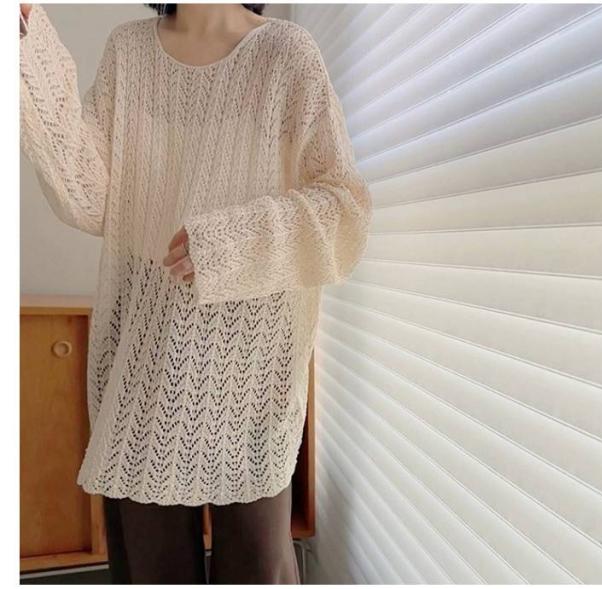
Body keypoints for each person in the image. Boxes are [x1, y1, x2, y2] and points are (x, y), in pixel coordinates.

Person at [19, 1, 372, 584]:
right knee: (151, 566)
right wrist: (26, 41)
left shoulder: (285, 53)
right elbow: (91, 196)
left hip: (252, 372)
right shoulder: (129, 50)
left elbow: (343, 211)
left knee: (256, 565)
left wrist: (231, 242)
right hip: (145, 359)